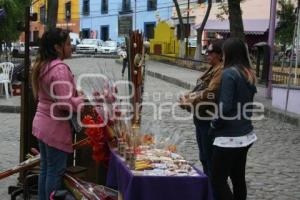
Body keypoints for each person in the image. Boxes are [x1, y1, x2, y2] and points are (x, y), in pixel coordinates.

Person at [31, 28, 84, 200]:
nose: (71, 47)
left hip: (42, 124)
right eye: (68, 44)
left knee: (47, 168)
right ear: (57, 47)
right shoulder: (59, 69)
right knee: (54, 171)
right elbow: (65, 103)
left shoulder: (43, 65)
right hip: (54, 127)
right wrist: (81, 100)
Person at [209, 37, 257, 200]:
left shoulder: (229, 73)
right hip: (245, 134)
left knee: (217, 181)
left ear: (228, 53)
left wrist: (214, 124)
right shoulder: (248, 72)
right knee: (238, 179)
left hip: (229, 136)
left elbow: (226, 106)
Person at [179, 40, 224, 178]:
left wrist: (190, 101)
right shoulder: (211, 68)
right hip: (200, 115)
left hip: (208, 117)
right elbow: (200, 88)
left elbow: (210, 93)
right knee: (203, 156)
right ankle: (207, 184)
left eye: (210, 53)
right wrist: (188, 95)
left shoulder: (220, 70)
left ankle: (212, 189)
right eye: (207, 53)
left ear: (219, 55)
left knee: (209, 156)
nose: (207, 55)